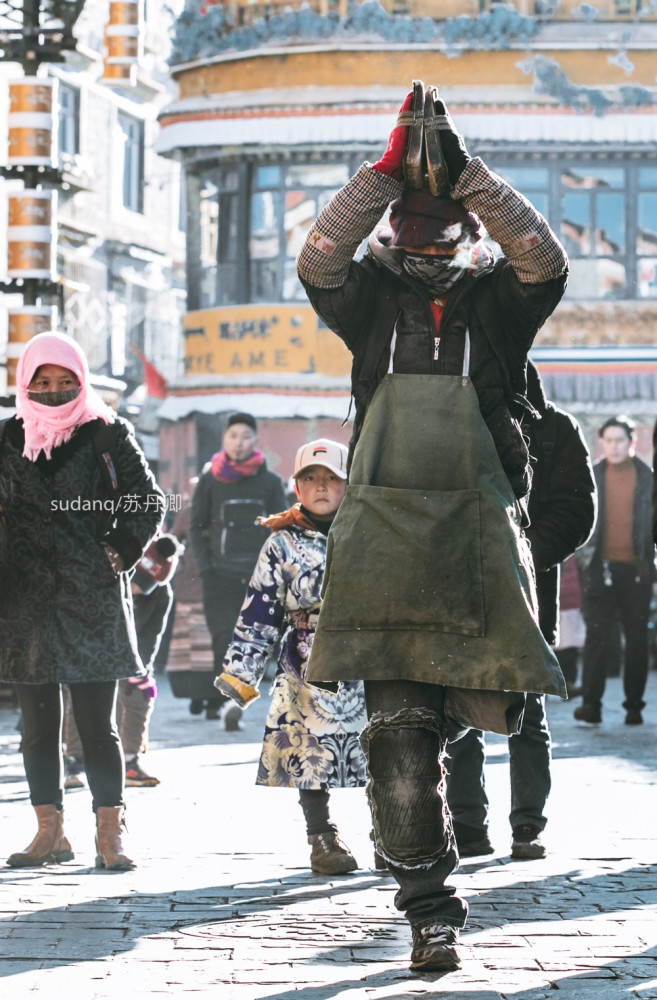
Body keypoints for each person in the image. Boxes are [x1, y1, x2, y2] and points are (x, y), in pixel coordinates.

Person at [296, 82, 569, 971]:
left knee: (470, 717)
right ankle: (427, 904)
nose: (425, 231)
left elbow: (544, 262)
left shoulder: (499, 303)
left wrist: (471, 178)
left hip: (478, 549)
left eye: (439, 216)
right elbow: (318, 258)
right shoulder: (368, 299)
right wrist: (384, 175)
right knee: (399, 749)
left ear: (467, 227)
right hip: (382, 548)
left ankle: (429, 837)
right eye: (410, 219)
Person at [0, 332, 164, 870]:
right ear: (24, 384)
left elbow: (147, 499)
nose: (52, 391)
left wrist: (121, 546)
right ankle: (50, 832)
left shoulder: (106, 434)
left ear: (80, 381)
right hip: (25, 602)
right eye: (41, 382)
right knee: (37, 729)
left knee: (98, 726)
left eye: (64, 381)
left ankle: (109, 834)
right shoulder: (6, 437)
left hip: (90, 596)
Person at [445, 362, 596, 862]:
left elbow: (577, 511)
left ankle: (528, 825)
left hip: (530, 592)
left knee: (528, 714)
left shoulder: (556, 428)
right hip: (463, 587)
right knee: (459, 709)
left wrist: (522, 552)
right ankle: (467, 826)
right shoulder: (458, 420)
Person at [215, 439, 368, 875]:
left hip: (367, 660)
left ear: (348, 485)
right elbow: (260, 609)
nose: (320, 487)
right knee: (310, 755)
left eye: (331, 479)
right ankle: (322, 838)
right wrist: (242, 674)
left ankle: (391, 832)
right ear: (296, 488)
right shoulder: (279, 545)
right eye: (310, 479)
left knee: (383, 749)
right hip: (305, 663)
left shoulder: (369, 532)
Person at [63, 533, 180, 789]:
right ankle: (74, 760)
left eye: (144, 585)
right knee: (81, 692)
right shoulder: (103, 579)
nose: (137, 589)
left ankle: (130, 760)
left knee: (141, 690)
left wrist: (142, 669)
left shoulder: (161, 594)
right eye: (135, 582)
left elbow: (152, 635)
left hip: (132, 649)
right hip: (92, 645)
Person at [190, 412, 286, 724]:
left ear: (255, 440)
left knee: (252, 640)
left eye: (245, 436)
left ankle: (235, 700)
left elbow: (281, 528)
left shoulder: (269, 482)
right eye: (233, 436)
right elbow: (196, 526)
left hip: (259, 578)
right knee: (222, 637)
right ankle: (225, 699)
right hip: (218, 576)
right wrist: (205, 568)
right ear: (224, 440)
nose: (239, 442)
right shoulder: (209, 480)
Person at [575, 414, 654, 726]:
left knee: (636, 640)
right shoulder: (591, 476)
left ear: (632, 442)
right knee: (596, 639)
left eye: (620, 440)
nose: (614, 446)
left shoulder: (648, 477)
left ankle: (634, 707)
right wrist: (583, 561)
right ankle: (591, 706)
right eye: (608, 440)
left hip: (637, 572)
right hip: (598, 569)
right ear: (602, 442)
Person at [554, 554, 587, 699]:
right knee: (566, 645)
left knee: (567, 644)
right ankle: (567, 683)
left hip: (568, 599)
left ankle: (566, 683)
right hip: (565, 597)